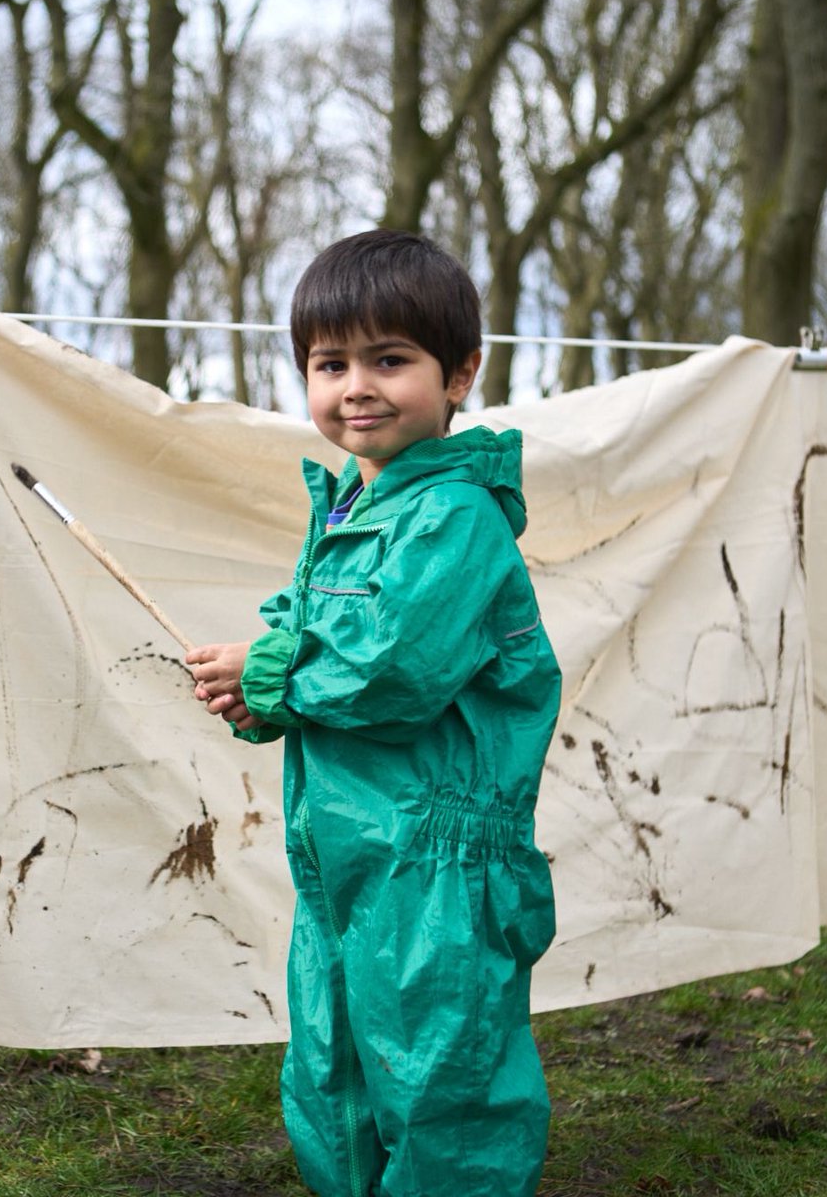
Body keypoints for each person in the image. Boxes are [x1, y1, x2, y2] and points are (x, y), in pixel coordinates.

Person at [186, 228, 561, 1197]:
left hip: (437, 864)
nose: (357, 386)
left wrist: (271, 675)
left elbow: (398, 668)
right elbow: (303, 636)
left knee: (442, 1075)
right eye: (330, 363)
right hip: (346, 853)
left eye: (390, 360)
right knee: (331, 1057)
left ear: (461, 372)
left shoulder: (456, 517)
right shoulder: (350, 510)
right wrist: (251, 693)